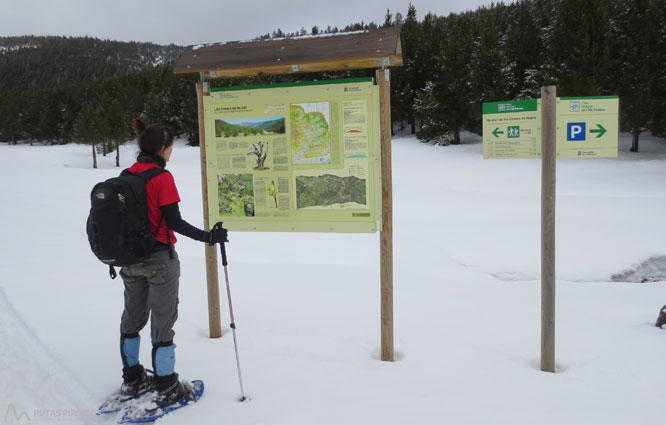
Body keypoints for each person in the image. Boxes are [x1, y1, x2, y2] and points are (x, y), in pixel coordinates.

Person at [119, 118, 227, 406]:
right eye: (170, 148)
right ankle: (166, 386)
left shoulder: (127, 174)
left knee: (132, 319)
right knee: (163, 321)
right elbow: (174, 221)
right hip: (159, 260)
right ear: (164, 149)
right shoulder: (161, 178)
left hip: (129, 260)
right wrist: (209, 237)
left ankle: (132, 377)